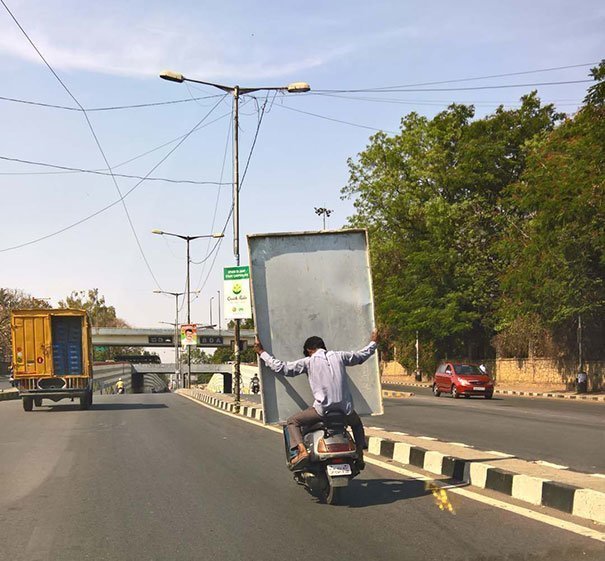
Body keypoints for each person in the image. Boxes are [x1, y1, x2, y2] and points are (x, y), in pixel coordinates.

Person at [254, 330, 378, 466]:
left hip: (322, 410)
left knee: (292, 422)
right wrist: (373, 342)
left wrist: (261, 352)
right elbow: (361, 356)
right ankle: (359, 453)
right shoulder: (340, 356)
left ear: (309, 350)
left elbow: (282, 368)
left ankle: (301, 451)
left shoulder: (309, 362)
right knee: (356, 423)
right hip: (345, 411)